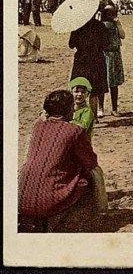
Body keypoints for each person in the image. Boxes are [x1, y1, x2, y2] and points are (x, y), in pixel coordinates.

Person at [18, 90, 107, 232]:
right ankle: (83, 222)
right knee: (90, 177)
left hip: (23, 199)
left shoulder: (38, 126)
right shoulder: (74, 131)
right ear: (68, 109)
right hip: (48, 202)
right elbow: (91, 162)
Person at [69, 13, 110, 118]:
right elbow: (106, 44)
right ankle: (94, 118)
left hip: (81, 61)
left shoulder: (77, 26)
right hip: (97, 60)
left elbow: (71, 44)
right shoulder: (100, 26)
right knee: (95, 91)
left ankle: (79, 117)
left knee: (79, 88)